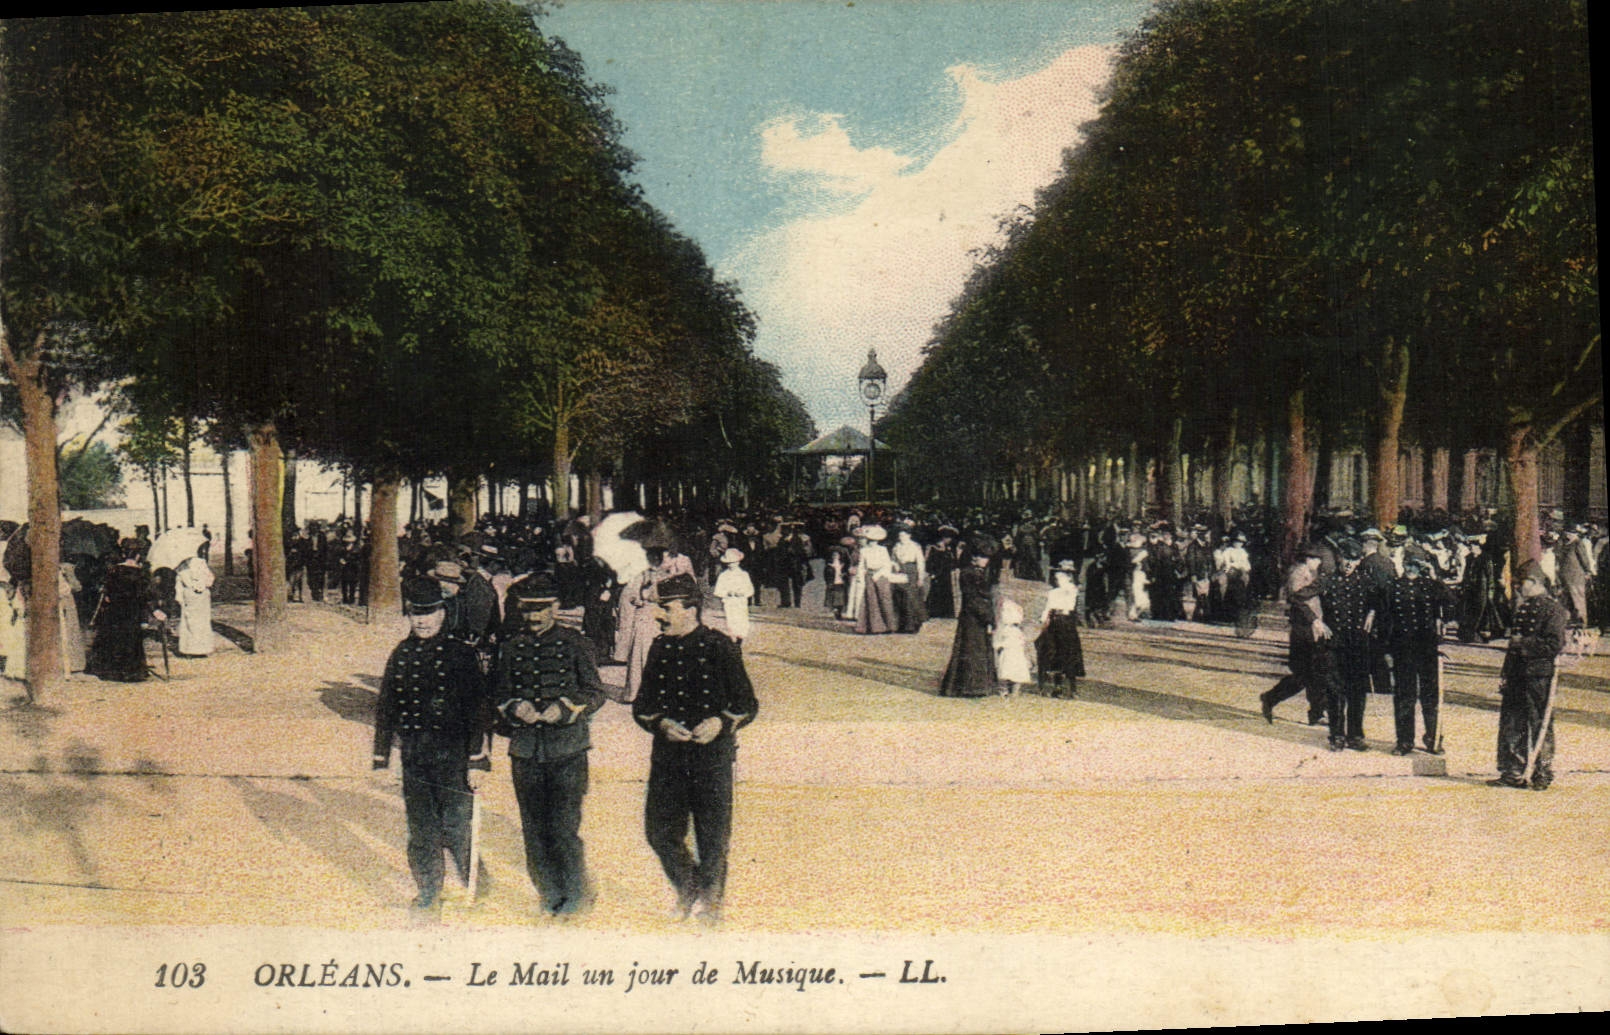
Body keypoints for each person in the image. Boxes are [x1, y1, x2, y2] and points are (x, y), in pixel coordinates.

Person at [632, 573, 758, 922]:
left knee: (712, 838)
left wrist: (720, 722)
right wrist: (660, 724)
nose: (659, 615)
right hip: (669, 758)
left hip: (711, 758)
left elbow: (747, 703)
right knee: (658, 831)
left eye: (666, 608)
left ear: (691, 609)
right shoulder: (659, 647)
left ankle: (711, 907)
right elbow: (641, 706)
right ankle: (688, 887)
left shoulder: (720, 646)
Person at [372, 577, 491, 910]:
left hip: (452, 757)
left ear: (443, 612)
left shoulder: (461, 655)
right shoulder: (401, 654)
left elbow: (478, 709)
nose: (422, 620)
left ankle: (477, 886)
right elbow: (386, 708)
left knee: (455, 828)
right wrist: (381, 758)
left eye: (429, 612)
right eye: (415, 613)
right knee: (422, 830)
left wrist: (477, 760)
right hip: (415, 757)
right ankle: (428, 891)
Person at [493, 574, 608, 915]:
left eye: (541, 609)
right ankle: (549, 895)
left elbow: (595, 692)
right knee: (533, 830)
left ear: (556, 607)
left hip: (567, 750)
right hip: (526, 751)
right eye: (527, 610)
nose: (533, 617)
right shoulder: (512, 646)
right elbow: (499, 692)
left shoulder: (576, 644)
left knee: (562, 828)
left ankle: (575, 896)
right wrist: (515, 707)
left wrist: (566, 708)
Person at [1490, 560, 1568, 790]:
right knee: (1512, 722)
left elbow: (1554, 644)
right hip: (1517, 674)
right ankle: (1512, 771)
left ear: (1533, 582)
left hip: (1538, 675)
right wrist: (1505, 672)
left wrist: (1523, 643)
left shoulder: (1553, 609)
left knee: (1539, 722)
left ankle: (1542, 771)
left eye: (1520, 583)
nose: (1517, 588)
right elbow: (1512, 647)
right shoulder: (1523, 607)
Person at [1382, 556, 1449, 755]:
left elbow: (1452, 601)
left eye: (1416, 565)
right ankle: (1404, 741)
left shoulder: (1430, 586)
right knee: (1404, 696)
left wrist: (1435, 575)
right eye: (1408, 564)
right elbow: (1386, 620)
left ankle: (1433, 738)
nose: (1411, 569)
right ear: (1402, 565)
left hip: (1427, 648)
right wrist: (1386, 650)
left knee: (1430, 696)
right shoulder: (1392, 587)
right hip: (1402, 648)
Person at [1317, 538, 1379, 751]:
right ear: (1338, 558)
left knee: (1357, 691)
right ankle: (1336, 735)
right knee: (1335, 691)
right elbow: (1300, 598)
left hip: (1358, 643)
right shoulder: (1327, 581)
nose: (1349, 564)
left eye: (1354, 559)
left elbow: (1382, 599)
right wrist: (1316, 619)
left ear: (1360, 560)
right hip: (1334, 644)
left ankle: (1355, 735)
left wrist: (1373, 612)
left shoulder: (1366, 581)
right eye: (1345, 559)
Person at [1259, 545, 1328, 726]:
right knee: (1305, 673)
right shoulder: (1298, 573)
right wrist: (1313, 620)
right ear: (1307, 559)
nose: (1319, 562)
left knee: (1313, 672)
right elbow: (1297, 600)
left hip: (1312, 627)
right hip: (1302, 628)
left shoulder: (1310, 574)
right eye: (1316, 559)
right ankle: (1271, 697)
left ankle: (1317, 712)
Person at [86, 539, 156, 683]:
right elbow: (145, 596)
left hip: (115, 611)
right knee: (131, 640)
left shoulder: (114, 570)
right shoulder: (141, 573)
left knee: (114, 639)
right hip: (133, 612)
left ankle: (111, 670)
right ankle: (131, 672)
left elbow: (106, 594)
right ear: (138, 555)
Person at [940, 536, 997, 697]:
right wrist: (987, 617)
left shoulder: (980, 573)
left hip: (979, 616)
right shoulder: (968, 574)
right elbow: (973, 599)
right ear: (975, 558)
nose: (985, 561)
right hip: (972, 617)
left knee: (979, 650)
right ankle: (970, 687)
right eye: (983, 557)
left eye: (987, 558)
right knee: (972, 650)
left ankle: (980, 685)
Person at [1035, 560, 1085, 697]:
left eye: (1062, 576)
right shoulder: (1053, 592)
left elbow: (1077, 609)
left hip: (1067, 624)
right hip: (1054, 624)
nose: (1058, 579)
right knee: (1053, 654)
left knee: (1068, 654)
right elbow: (1048, 608)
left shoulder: (1073, 591)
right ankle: (1056, 686)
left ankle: (1071, 688)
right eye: (1057, 577)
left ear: (1069, 576)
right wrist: (1044, 621)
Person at [853, 525, 898, 634]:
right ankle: (875, 627)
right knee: (871, 600)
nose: (873, 542)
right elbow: (861, 565)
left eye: (875, 540)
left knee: (885, 599)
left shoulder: (883, 550)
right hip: (869, 575)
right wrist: (860, 576)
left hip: (881, 576)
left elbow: (887, 564)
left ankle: (889, 626)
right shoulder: (864, 550)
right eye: (871, 540)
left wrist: (878, 574)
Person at [173, 548, 215, 657]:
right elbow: (179, 585)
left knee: (199, 622)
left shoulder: (197, 563)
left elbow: (209, 578)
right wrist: (181, 598)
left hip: (198, 597)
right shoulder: (182, 566)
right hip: (191, 596)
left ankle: (197, 649)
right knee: (192, 622)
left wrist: (202, 585)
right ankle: (192, 649)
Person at [889, 525, 927, 633]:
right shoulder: (896, 547)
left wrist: (920, 578)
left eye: (903, 535)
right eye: (900, 535)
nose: (901, 537)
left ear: (909, 535)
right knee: (899, 598)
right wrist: (894, 566)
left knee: (911, 598)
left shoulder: (915, 546)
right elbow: (893, 559)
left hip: (911, 572)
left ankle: (913, 625)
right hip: (899, 572)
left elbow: (920, 562)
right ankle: (901, 625)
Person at [712, 548, 754, 643]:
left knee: (742, 620)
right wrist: (727, 593)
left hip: (740, 601)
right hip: (730, 602)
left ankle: (740, 639)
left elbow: (750, 590)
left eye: (734, 562)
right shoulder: (723, 575)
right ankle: (733, 639)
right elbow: (718, 590)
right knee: (731, 621)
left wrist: (742, 593)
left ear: (738, 562)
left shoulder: (743, 574)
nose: (731, 564)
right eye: (729, 563)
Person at [993, 598, 1031, 697]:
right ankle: (1005, 690)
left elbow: (1022, 642)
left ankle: (1014, 691)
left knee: (1015, 672)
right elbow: (999, 639)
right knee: (1005, 670)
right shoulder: (1006, 629)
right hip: (1008, 652)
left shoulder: (1016, 631)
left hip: (1016, 653)